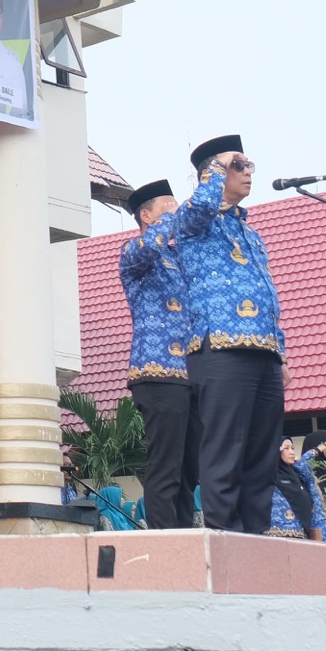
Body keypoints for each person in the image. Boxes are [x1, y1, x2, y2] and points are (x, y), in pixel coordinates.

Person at [175, 137, 287, 535]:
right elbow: (198, 210)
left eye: (248, 165)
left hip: (264, 350)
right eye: (239, 165)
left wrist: (281, 353)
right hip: (221, 347)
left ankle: (255, 537)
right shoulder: (193, 221)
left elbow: (268, 294)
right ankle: (225, 536)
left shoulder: (251, 234)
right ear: (214, 172)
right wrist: (217, 166)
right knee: (224, 448)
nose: (248, 172)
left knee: (262, 455)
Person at [119, 178, 201, 530]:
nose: (175, 212)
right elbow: (148, 246)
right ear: (146, 216)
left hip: (190, 372)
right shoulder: (133, 251)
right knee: (165, 463)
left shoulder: (177, 257)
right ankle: (164, 540)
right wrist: (170, 219)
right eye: (167, 207)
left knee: (190, 467)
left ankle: (183, 535)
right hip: (157, 370)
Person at [268, 437, 326, 540]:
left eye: (292, 448)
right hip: (277, 536)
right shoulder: (269, 475)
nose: (292, 452)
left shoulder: (295, 474)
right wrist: (320, 447)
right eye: (286, 448)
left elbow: (304, 464)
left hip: (300, 535)